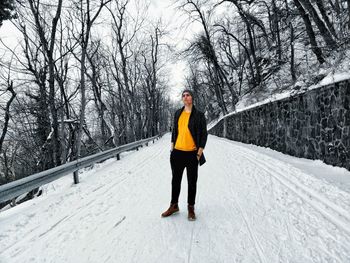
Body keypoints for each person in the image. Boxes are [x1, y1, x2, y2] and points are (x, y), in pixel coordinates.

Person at [161, 89, 208, 221]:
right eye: (183, 96)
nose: (185, 97)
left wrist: (199, 153)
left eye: (188, 95)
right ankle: (174, 205)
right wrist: (172, 148)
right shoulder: (178, 113)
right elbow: (174, 131)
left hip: (192, 154)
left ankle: (191, 207)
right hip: (177, 153)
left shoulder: (199, 115)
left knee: (192, 182)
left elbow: (204, 135)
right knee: (175, 181)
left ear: (192, 98)